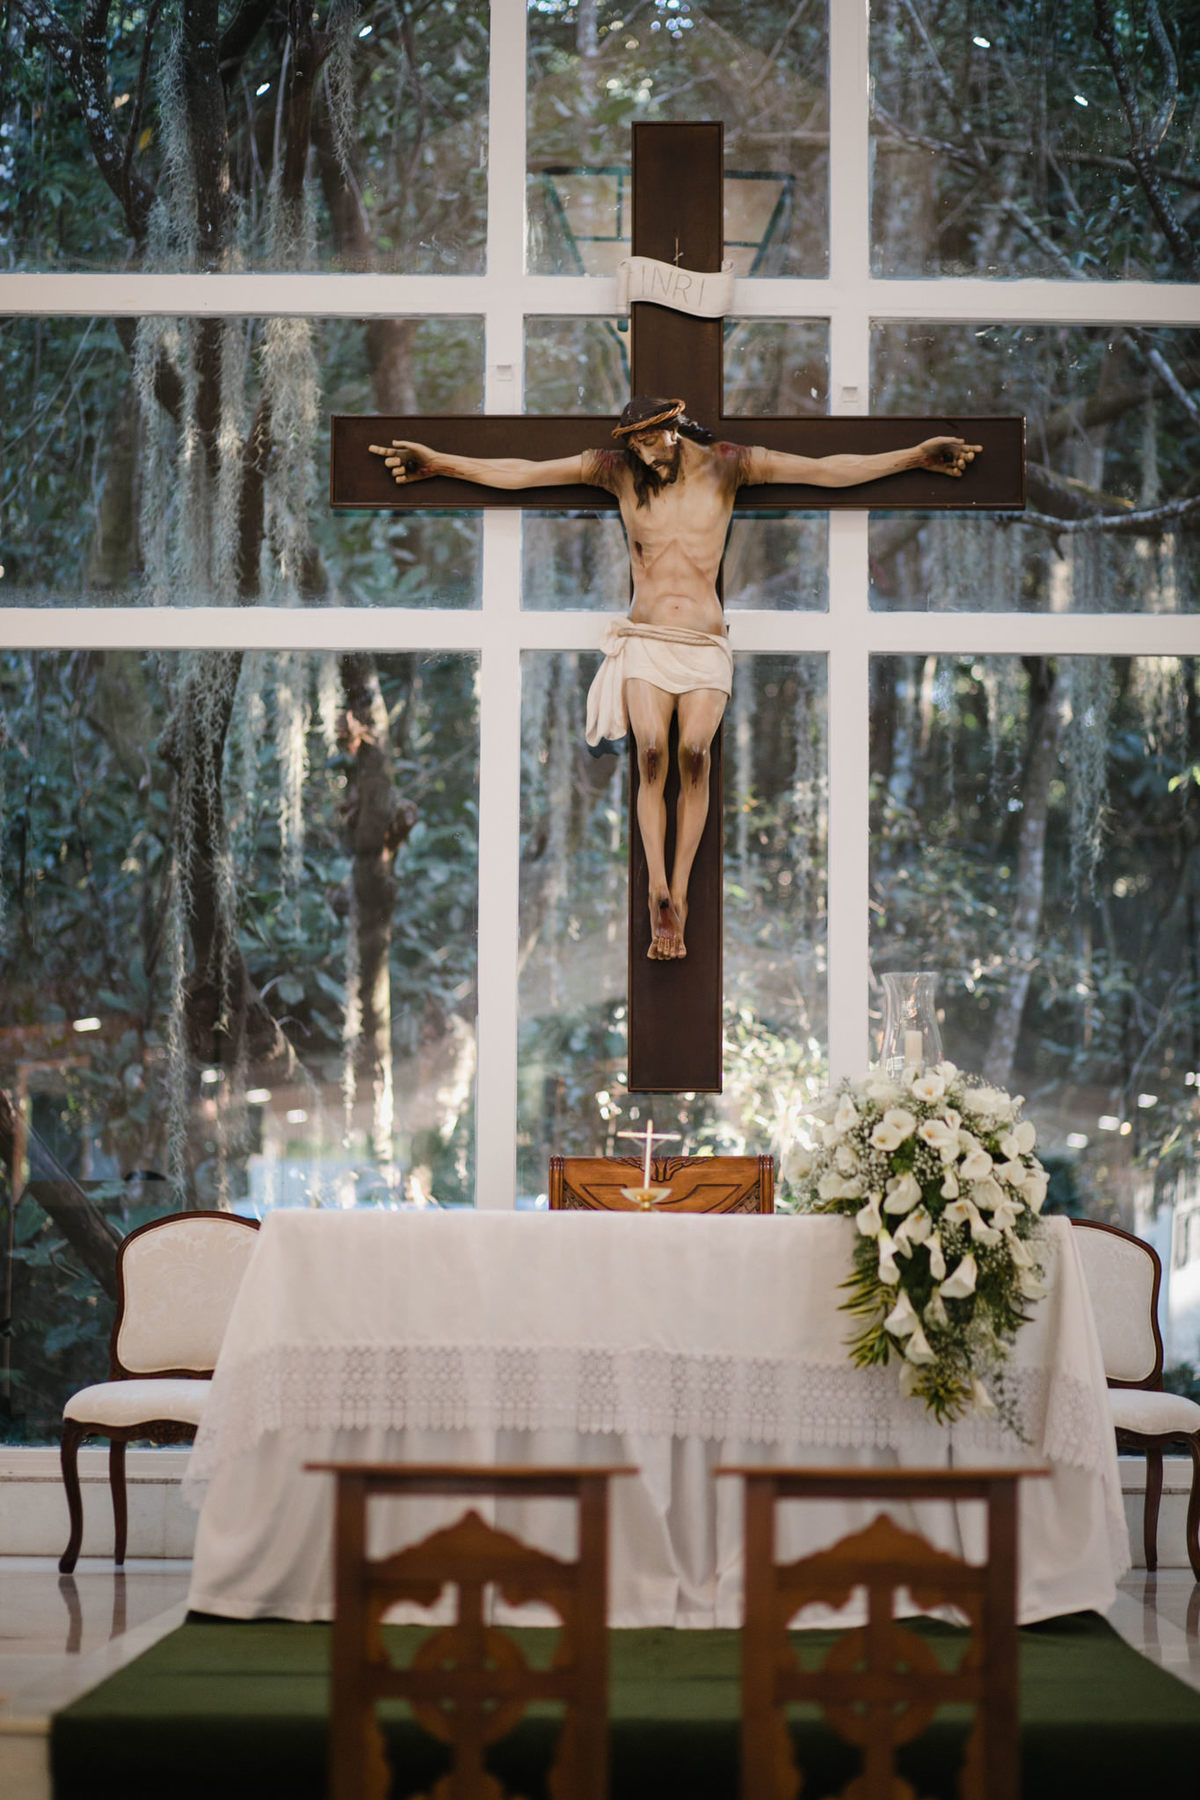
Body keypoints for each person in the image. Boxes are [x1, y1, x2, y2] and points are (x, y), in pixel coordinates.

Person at [371, 397, 980, 960]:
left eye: (652, 441)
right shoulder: (614, 472)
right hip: (646, 641)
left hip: (704, 644)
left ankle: (681, 891)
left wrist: (915, 457)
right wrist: (440, 464)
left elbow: (826, 469)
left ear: (674, 426)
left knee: (694, 755)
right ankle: (657, 893)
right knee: (653, 754)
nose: (645, 454)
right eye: (634, 445)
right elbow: (523, 471)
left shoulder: (729, 466)